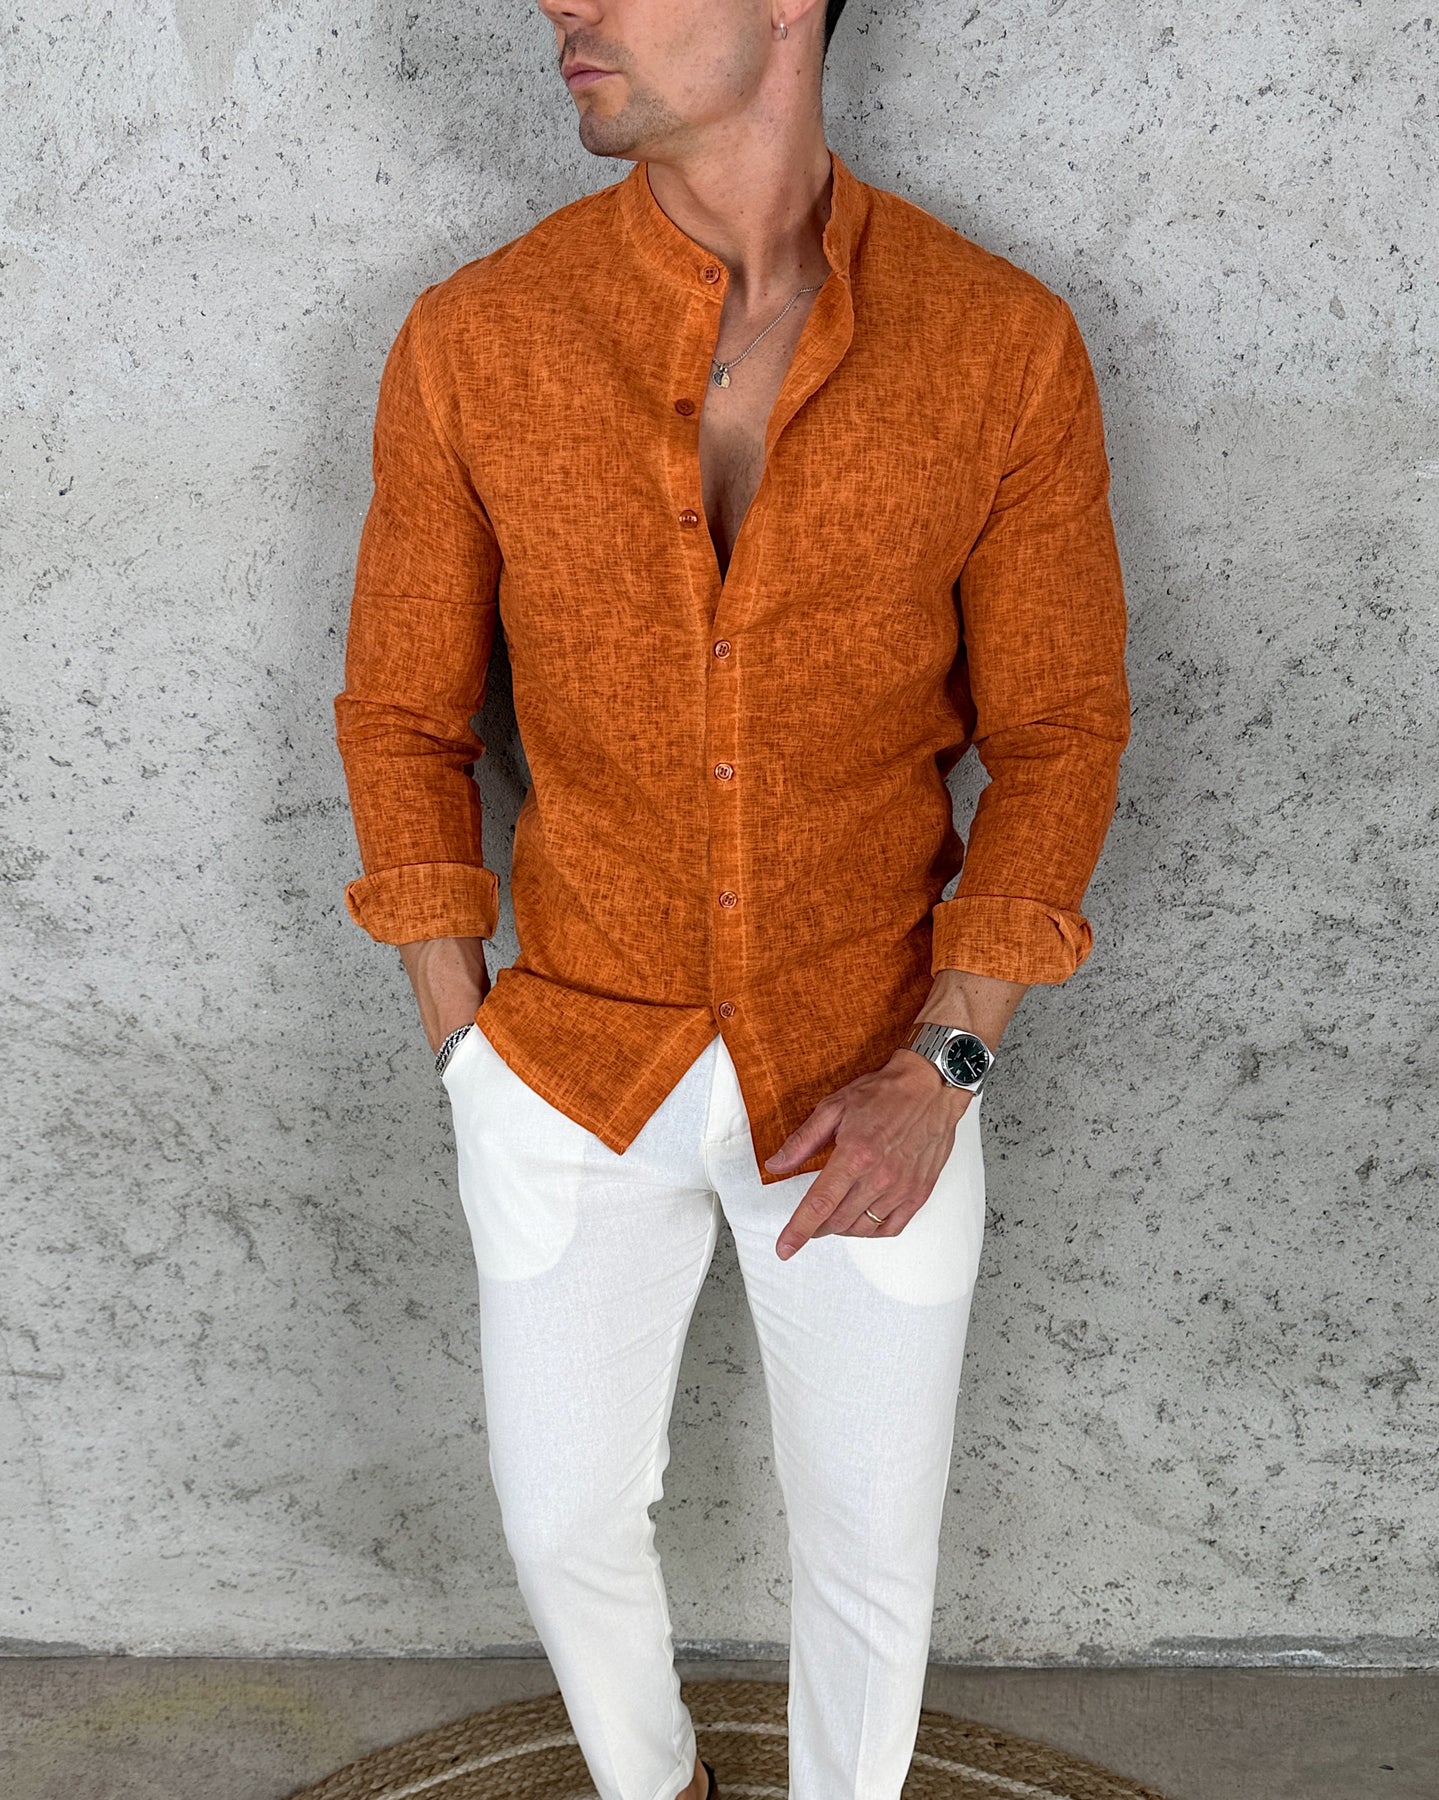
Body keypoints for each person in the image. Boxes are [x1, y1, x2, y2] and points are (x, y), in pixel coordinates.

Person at [332, 0, 1131, 1794]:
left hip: (876, 1071)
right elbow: (399, 716)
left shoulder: (998, 343)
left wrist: (948, 1065)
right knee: (560, 1520)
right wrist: (468, 1052)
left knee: (872, 1553)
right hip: (566, 1067)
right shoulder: (478, 336)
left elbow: (1061, 734)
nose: (565, 4)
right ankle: (659, 1785)